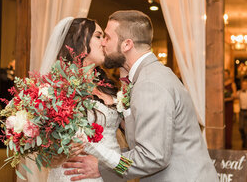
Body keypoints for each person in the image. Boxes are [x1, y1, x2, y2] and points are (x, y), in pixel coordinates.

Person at [63, 10, 217, 182]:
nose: (103, 43)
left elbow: (152, 156)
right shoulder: (146, 76)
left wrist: (103, 166)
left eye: (107, 37)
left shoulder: (150, 84)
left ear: (126, 45)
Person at [21, 17, 123, 182]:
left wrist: (118, 168)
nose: (104, 42)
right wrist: (61, 149)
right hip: (75, 176)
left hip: (111, 175)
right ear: (79, 42)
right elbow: (47, 154)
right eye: (98, 36)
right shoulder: (56, 90)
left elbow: (135, 144)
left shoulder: (110, 88)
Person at [233, 78, 247, 149]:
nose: (244, 86)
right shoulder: (239, 92)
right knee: (241, 128)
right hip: (242, 112)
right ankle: (244, 140)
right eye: (243, 85)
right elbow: (233, 96)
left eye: (245, 85)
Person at [224, 69, 236, 149]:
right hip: (221, 107)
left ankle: (228, 143)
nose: (224, 76)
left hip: (228, 106)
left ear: (228, 75)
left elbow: (234, 95)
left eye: (226, 74)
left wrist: (225, 99)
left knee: (228, 125)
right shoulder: (220, 83)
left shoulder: (232, 84)